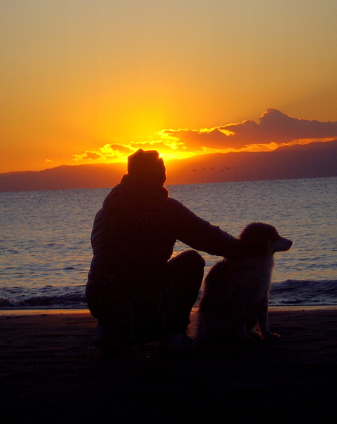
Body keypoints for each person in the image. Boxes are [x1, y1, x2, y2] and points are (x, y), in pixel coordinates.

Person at [85, 148, 241, 352]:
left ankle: (110, 330)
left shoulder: (104, 212)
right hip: (139, 294)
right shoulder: (164, 208)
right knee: (192, 261)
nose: (165, 175)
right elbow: (209, 238)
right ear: (155, 175)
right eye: (161, 170)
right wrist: (243, 248)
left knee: (126, 273)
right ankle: (173, 335)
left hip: (98, 298)